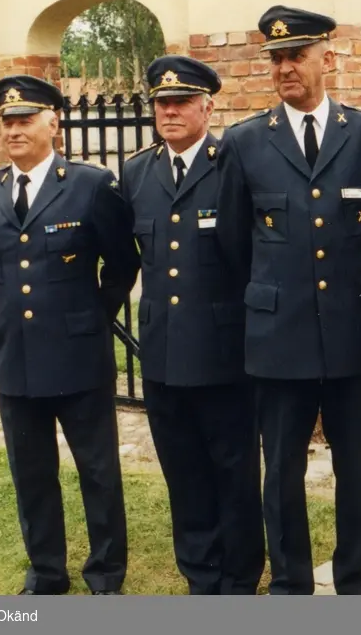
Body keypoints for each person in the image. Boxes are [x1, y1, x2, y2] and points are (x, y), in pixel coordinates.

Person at [216, 6, 361, 595]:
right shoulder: (245, 143)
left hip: (350, 328)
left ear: (328, 58)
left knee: (355, 465)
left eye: (297, 55)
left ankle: (354, 578)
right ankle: (292, 586)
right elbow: (233, 242)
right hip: (279, 335)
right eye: (276, 58)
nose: (285, 68)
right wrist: (276, 293)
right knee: (282, 471)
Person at [0, 75, 139, 595]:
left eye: (25, 119)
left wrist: (89, 316)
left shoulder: (90, 185)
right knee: (31, 473)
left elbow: (123, 261)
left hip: (77, 355)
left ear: (53, 123)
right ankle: (46, 572)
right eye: (8, 121)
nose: (14, 129)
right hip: (16, 359)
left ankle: (106, 574)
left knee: (98, 470)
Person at [121, 56, 264, 594]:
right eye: (162, 103)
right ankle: (200, 574)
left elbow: (252, 255)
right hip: (161, 352)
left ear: (209, 105)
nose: (170, 111)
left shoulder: (234, 163)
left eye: (181, 102)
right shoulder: (137, 171)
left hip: (225, 350)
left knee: (234, 469)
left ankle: (240, 574)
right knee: (182, 472)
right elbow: (122, 253)